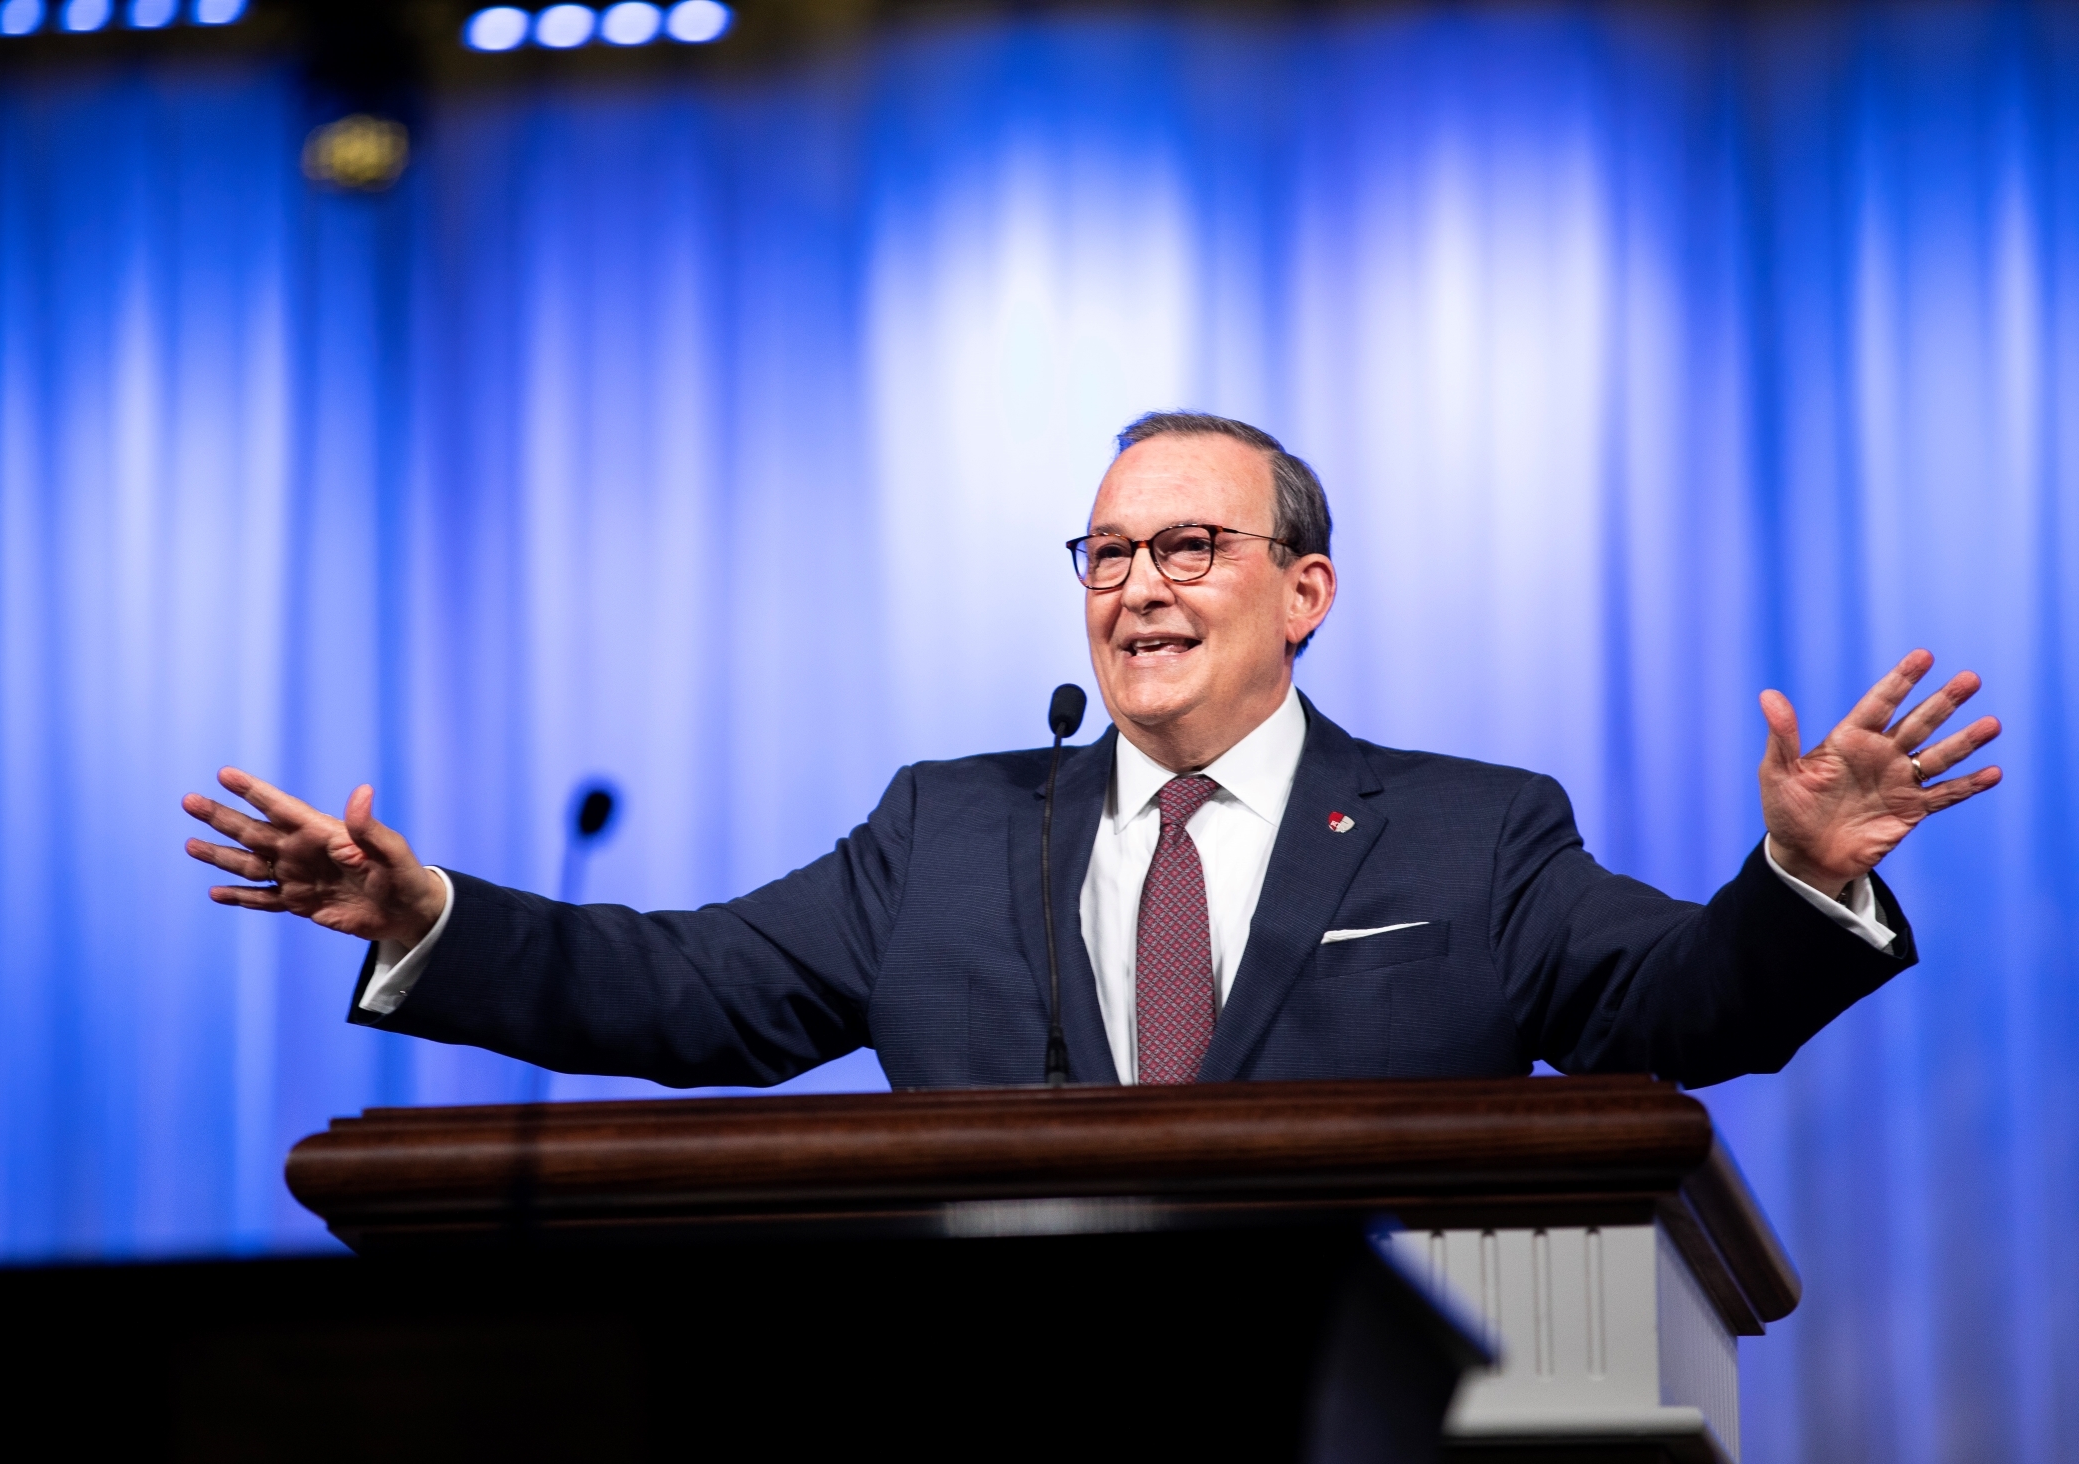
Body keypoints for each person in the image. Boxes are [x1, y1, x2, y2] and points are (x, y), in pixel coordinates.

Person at [182, 412, 2002, 1089]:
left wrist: (1798, 877)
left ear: (1306, 592)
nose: (1136, 587)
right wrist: (428, 915)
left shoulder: (1476, 832)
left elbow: (1680, 1009)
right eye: (1107, 553)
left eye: (1188, 547)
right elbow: (684, 991)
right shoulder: (950, 830)